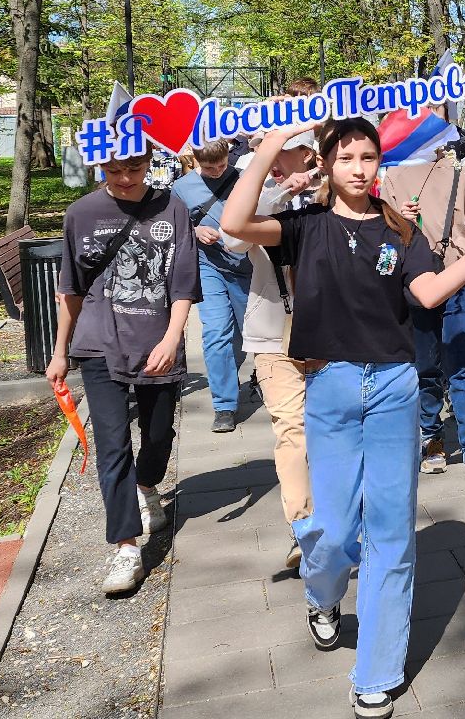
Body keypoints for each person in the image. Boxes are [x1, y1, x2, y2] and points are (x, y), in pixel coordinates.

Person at [223, 117, 465, 719]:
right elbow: (234, 223)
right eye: (347, 158)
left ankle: (377, 673)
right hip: (328, 386)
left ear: (381, 163)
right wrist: (272, 144)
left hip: (393, 389)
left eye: (369, 157)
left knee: (390, 535)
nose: (359, 169)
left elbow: (428, 293)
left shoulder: (401, 230)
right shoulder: (303, 227)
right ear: (328, 164)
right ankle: (322, 593)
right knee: (332, 531)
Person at [48, 149, 199, 597]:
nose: (125, 178)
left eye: (134, 168)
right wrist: (60, 352)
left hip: (156, 340)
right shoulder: (82, 213)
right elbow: (70, 289)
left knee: (159, 433)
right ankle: (126, 547)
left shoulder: (172, 207)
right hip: (98, 343)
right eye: (114, 170)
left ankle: (146, 485)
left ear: (149, 162)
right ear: (100, 167)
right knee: (112, 446)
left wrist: (172, 337)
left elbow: (183, 282)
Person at [224, 129, 322, 569]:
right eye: (266, 152)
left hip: (337, 333)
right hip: (274, 331)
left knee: (334, 430)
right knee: (291, 429)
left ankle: (341, 517)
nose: (273, 160)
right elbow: (233, 239)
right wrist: (281, 192)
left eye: (282, 151)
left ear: (308, 152)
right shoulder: (260, 191)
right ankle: (304, 529)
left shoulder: (336, 187)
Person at [380, 140, 465, 491]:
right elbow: (381, 243)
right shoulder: (393, 175)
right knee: (425, 366)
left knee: (461, 364)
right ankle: (431, 435)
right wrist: (398, 220)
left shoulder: (463, 174)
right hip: (415, 286)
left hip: (459, 282)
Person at [172, 138, 252, 433]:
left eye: (222, 165)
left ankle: (243, 377)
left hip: (247, 266)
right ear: (195, 161)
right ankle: (224, 405)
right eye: (210, 168)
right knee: (217, 332)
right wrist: (195, 231)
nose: (218, 171)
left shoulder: (244, 178)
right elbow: (176, 226)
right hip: (208, 265)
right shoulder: (182, 188)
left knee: (247, 333)